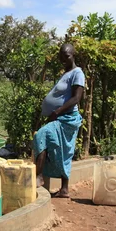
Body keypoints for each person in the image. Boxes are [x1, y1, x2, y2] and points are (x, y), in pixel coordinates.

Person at [33, 43, 85, 198]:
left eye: (66, 56)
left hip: (66, 118)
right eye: (61, 57)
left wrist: (57, 112)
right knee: (59, 149)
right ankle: (64, 189)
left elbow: (76, 98)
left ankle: (39, 176)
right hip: (59, 117)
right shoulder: (66, 73)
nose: (63, 59)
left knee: (41, 136)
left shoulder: (78, 73)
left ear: (73, 55)